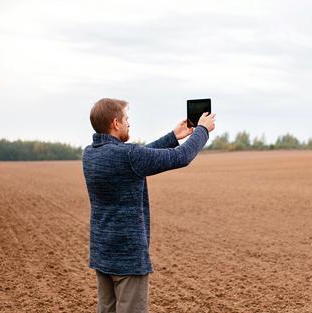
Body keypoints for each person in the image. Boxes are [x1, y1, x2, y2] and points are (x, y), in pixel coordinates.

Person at [82, 98, 216, 313]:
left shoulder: (90, 154)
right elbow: (180, 157)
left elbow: (137, 160)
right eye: (126, 119)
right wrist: (202, 130)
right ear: (116, 123)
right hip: (128, 256)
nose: (129, 123)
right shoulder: (127, 156)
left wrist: (173, 137)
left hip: (102, 253)